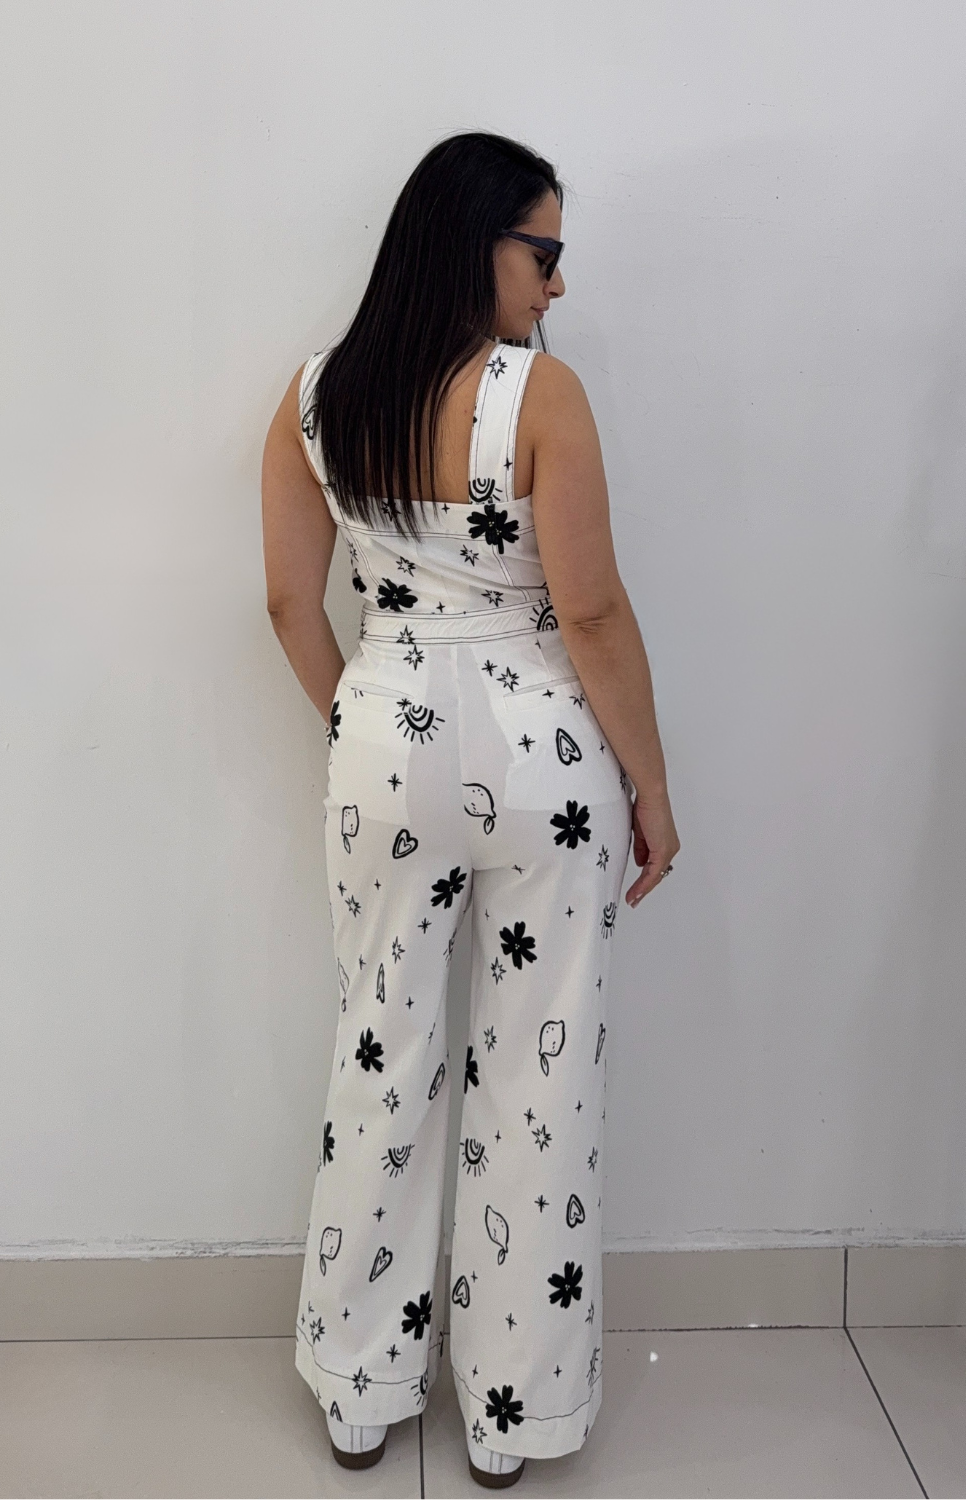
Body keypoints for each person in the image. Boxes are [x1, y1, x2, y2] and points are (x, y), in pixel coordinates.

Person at [261, 130, 680, 1490]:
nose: (558, 283)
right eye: (543, 252)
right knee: (538, 1073)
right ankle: (513, 1411)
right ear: (472, 240)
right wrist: (652, 784)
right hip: (544, 754)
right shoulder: (536, 395)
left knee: (382, 1042)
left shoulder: (315, 399)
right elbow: (590, 610)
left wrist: (361, 722)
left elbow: (289, 601)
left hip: (385, 742)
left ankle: (361, 1388)